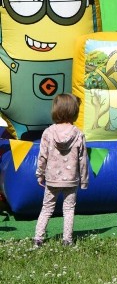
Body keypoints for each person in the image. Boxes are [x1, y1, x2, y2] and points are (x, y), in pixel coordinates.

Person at [33, 94, 89, 247]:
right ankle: (67, 240)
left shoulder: (48, 132)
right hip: (71, 179)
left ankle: (38, 239)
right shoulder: (78, 134)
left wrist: (40, 174)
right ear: (74, 111)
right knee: (69, 209)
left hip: (52, 179)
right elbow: (83, 159)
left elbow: (42, 156)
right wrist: (84, 180)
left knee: (47, 208)